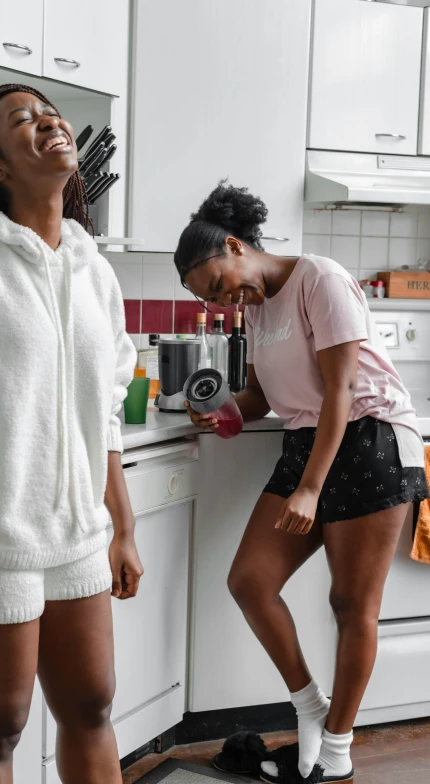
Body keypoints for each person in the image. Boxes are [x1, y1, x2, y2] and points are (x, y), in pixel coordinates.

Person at [0, 83, 143, 784]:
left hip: (76, 536)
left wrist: (121, 527)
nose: (46, 121)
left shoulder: (95, 271)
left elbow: (104, 411)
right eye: (22, 120)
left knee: (94, 708)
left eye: (49, 112)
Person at [176, 182, 429, 784]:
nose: (224, 300)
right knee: (250, 582)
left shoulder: (321, 278)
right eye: (212, 300)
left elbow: (339, 391)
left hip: (368, 438)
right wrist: (224, 408)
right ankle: (311, 706)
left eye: (217, 285)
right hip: (307, 444)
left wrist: (310, 490)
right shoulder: (259, 309)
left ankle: (337, 749)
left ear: (235, 246)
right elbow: (266, 397)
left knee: (350, 603)